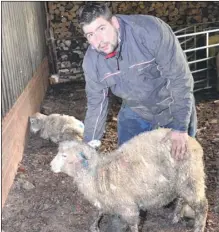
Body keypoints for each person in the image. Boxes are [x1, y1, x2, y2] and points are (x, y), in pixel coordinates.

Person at [78, 3, 197, 160]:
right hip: (136, 109)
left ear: (114, 23)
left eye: (101, 29)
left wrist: (180, 127)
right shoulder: (92, 62)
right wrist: (88, 147)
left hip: (170, 105)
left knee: (179, 165)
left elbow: (180, 79)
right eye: (90, 35)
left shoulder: (151, 31)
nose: (99, 41)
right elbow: (96, 105)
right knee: (127, 166)